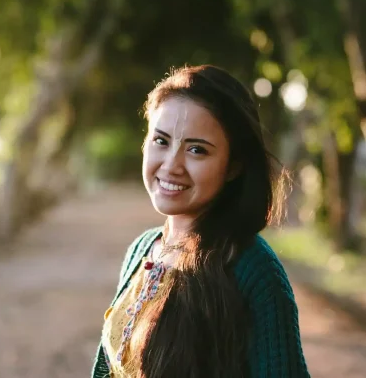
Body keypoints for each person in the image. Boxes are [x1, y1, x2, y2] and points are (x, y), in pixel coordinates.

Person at [92, 65, 310, 378]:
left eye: (197, 150)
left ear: (233, 166)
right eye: (161, 141)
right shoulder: (143, 250)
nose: (171, 166)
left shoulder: (253, 269)